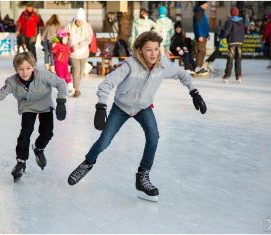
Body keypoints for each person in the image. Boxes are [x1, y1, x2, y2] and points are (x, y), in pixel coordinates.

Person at [67, 31, 207, 202]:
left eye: (156, 49)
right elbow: (107, 83)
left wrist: (194, 92)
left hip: (143, 107)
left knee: (154, 137)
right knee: (105, 140)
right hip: (121, 107)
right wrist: (101, 105)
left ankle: (143, 176)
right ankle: (87, 163)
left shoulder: (162, 65)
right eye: (149, 49)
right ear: (140, 50)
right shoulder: (130, 65)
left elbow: (182, 74)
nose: (153, 53)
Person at [0, 52, 67, 182]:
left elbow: (61, 83)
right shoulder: (11, 82)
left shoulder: (42, 74)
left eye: (28, 68)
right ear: (16, 69)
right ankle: (21, 162)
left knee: (47, 133)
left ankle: (38, 148)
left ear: (33, 67)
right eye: (20, 69)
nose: (24, 72)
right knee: (25, 134)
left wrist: (61, 101)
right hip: (27, 107)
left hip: (45, 105)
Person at [65, 8, 93, 97]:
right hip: (73, 53)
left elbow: (89, 39)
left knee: (81, 72)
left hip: (84, 52)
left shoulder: (87, 26)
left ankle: (76, 86)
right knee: (76, 70)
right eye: (78, 21)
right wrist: (67, 43)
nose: (79, 22)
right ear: (75, 19)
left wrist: (80, 44)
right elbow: (63, 36)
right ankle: (76, 89)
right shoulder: (69, 26)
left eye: (81, 21)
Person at [222, 7, 245, 83]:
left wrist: (222, 35)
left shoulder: (229, 21)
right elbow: (243, 32)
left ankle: (227, 76)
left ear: (231, 13)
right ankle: (238, 76)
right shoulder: (241, 22)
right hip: (240, 42)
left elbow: (227, 32)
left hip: (232, 42)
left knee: (230, 59)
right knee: (238, 59)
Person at [51, 29, 74, 95]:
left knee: (67, 75)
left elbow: (68, 51)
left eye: (67, 39)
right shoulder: (57, 45)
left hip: (65, 63)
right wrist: (53, 47)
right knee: (60, 76)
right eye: (64, 39)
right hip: (59, 63)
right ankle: (60, 89)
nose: (66, 40)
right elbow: (53, 51)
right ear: (60, 39)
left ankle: (70, 87)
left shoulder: (66, 45)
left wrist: (72, 49)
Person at [193, 1, 210, 69]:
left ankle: (199, 67)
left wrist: (207, 34)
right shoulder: (198, 13)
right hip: (201, 36)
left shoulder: (201, 12)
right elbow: (197, 25)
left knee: (203, 52)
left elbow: (203, 24)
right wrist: (199, 35)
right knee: (200, 52)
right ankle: (197, 67)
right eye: (205, 4)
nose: (207, 5)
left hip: (204, 35)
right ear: (201, 4)